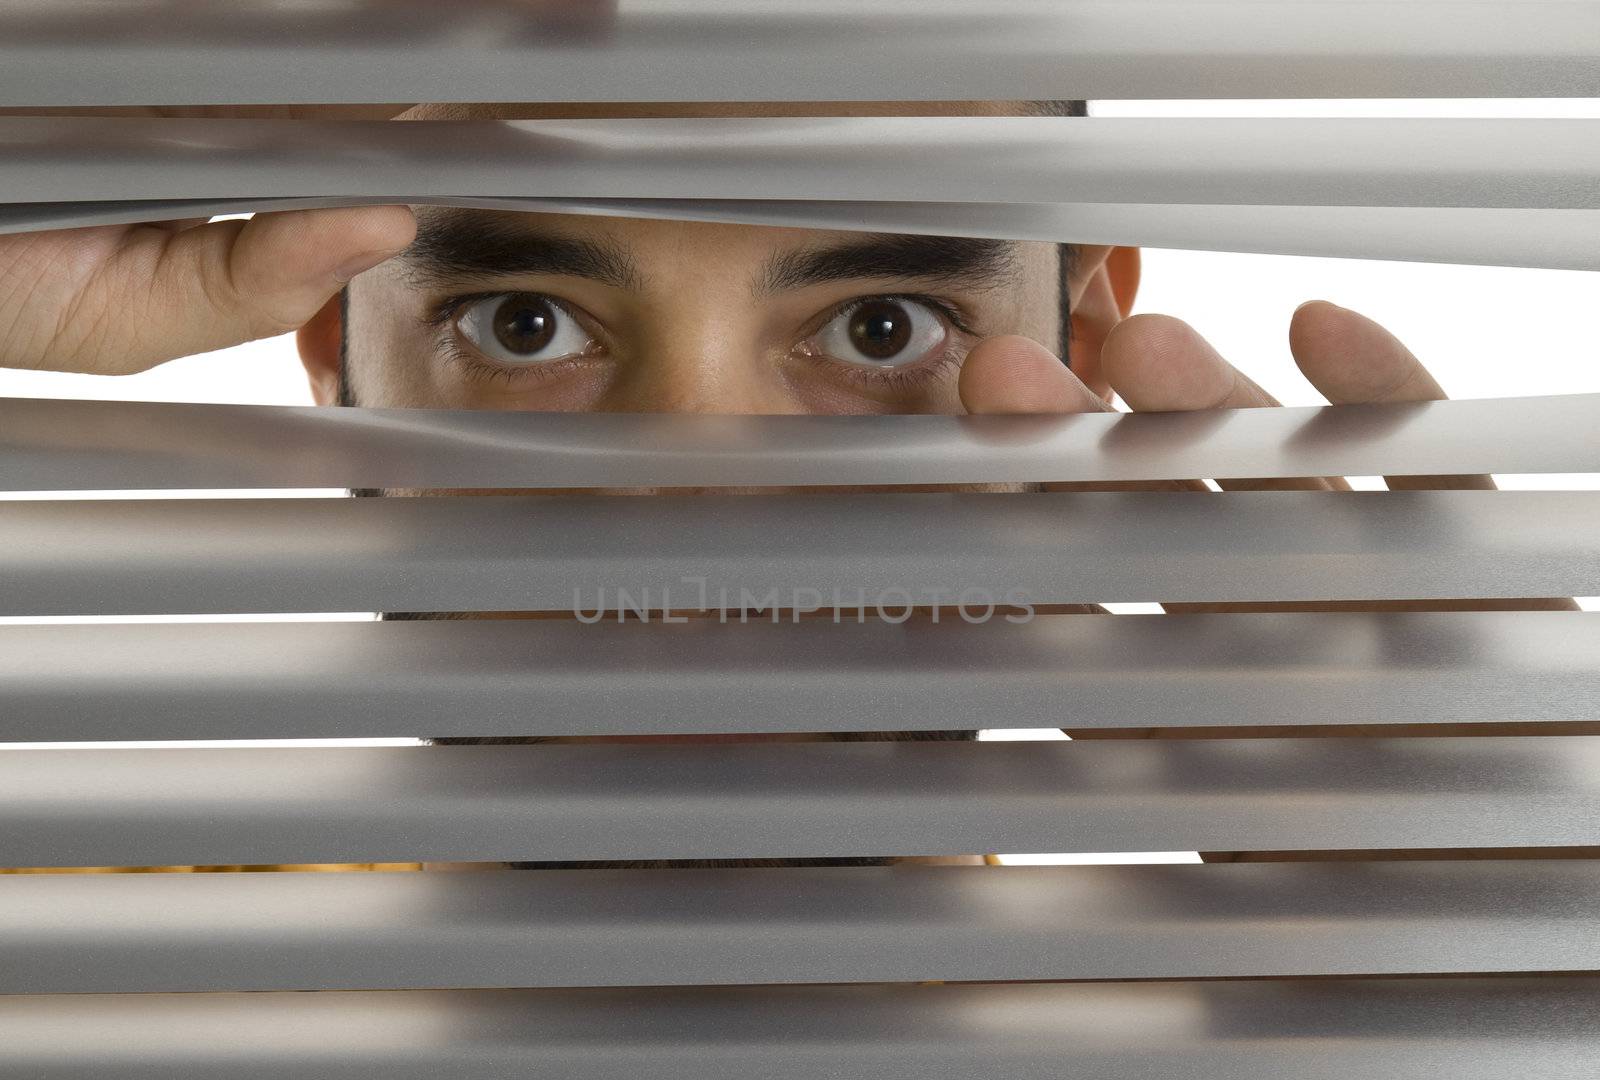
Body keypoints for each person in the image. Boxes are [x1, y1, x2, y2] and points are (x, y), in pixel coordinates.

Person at [0, 100, 1576, 875]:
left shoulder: (1367, 1074)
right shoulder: (75, 1016)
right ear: (335, 349)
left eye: (877, 328)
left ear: (1081, 336)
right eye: (527, 323)